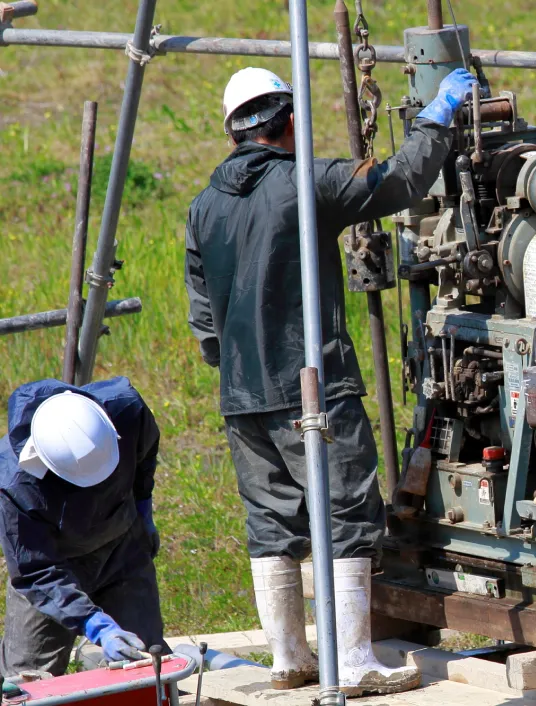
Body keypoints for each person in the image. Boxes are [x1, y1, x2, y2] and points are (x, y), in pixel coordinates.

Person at [183, 66, 475, 696]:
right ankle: (354, 662)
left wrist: (239, 367)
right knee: (345, 512)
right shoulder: (304, 184)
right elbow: (398, 179)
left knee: (271, 521)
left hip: (242, 397)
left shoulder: (203, 208)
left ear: (232, 132)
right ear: (289, 121)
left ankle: (289, 658)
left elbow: (204, 320)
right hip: (312, 387)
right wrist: (438, 116)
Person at [0, 378, 163, 677]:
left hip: (122, 547)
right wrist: (95, 625)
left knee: (145, 660)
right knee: (29, 681)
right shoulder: (14, 485)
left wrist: (143, 507)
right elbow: (35, 570)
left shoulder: (126, 409)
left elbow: (144, 455)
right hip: (53, 569)